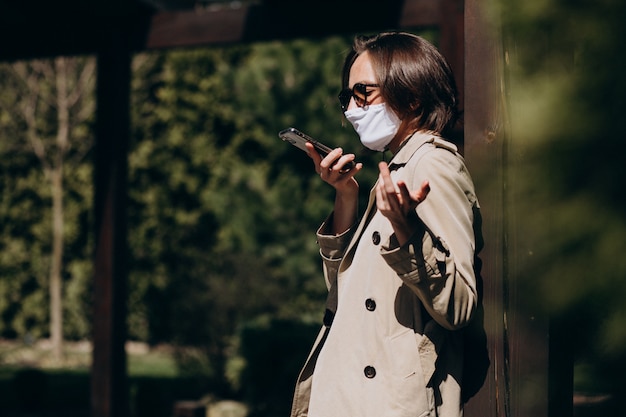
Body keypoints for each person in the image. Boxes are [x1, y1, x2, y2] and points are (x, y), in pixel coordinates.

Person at [290, 32, 485, 417]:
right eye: (346, 97)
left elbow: (459, 306)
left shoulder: (432, 165)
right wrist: (346, 195)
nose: (351, 109)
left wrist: (408, 233)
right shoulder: (396, 170)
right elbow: (346, 298)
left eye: (362, 93)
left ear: (411, 96)